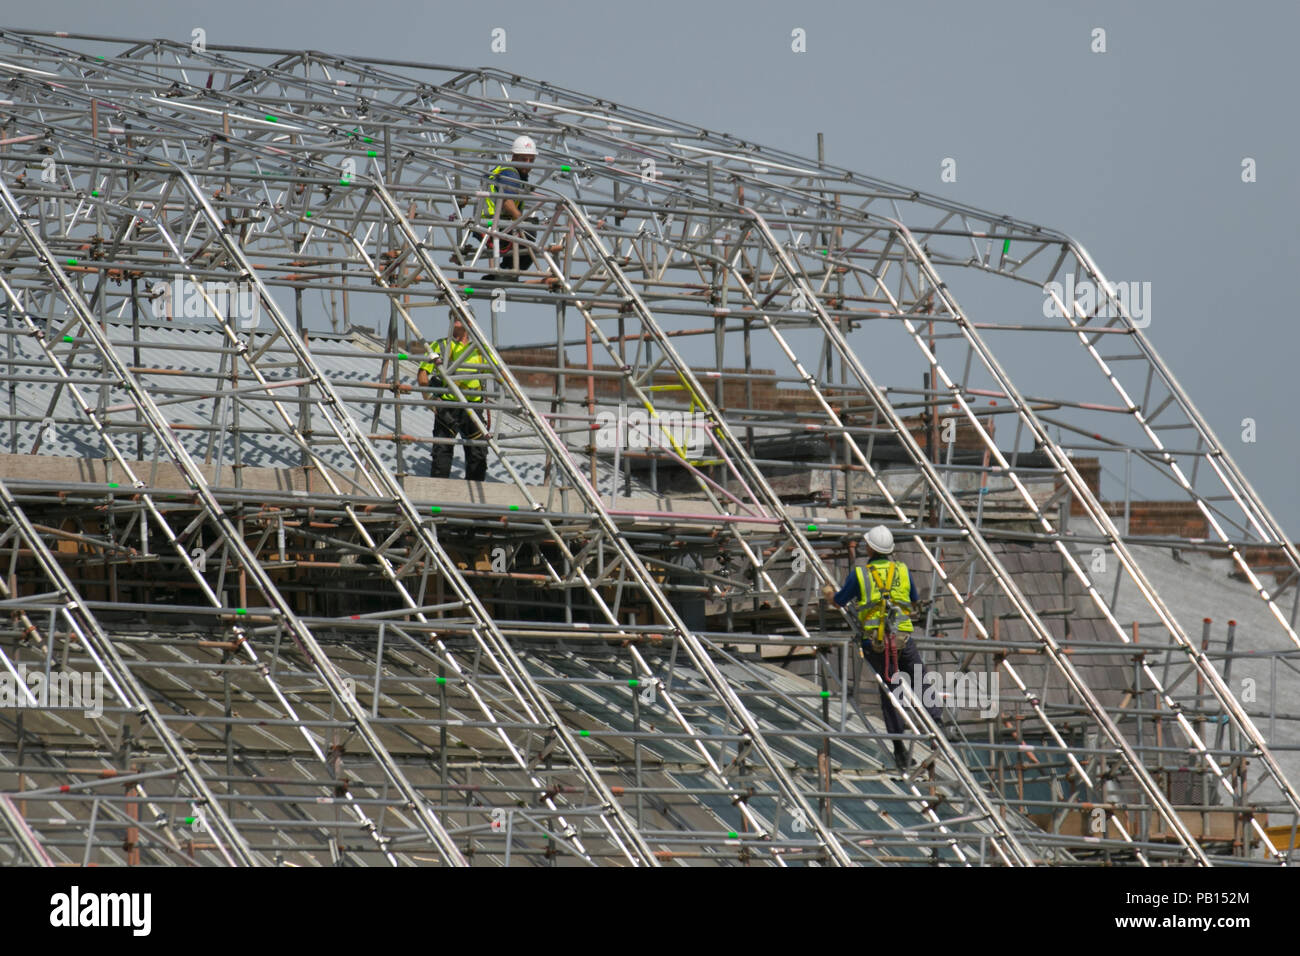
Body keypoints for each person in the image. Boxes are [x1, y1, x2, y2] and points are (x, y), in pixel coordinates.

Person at [823, 524, 943, 771]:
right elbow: (913, 601)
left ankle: (899, 750)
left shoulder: (860, 574)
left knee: (891, 693)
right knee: (921, 681)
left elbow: (839, 601)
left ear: (870, 547)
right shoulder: (902, 570)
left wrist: (828, 593)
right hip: (902, 639)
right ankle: (938, 728)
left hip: (876, 644)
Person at [419, 317, 491, 481]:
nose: (457, 319)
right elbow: (423, 373)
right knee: (442, 453)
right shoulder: (440, 346)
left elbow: (500, 373)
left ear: (470, 322)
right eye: (454, 316)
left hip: (473, 406)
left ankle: (475, 495)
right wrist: (431, 401)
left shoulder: (480, 349)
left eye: (461, 315)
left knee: (478, 453)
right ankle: (439, 492)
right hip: (448, 405)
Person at [463, 134, 538, 278]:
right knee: (530, 235)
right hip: (494, 226)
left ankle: (504, 272)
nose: (528, 163)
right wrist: (521, 221)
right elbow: (506, 202)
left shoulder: (504, 170)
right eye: (524, 159)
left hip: (489, 224)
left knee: (527, 237)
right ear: (514, 157)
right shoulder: (511, 173)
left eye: (531, 160)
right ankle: (508, 272)